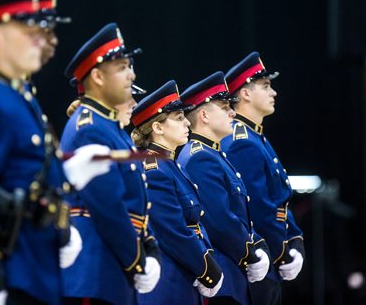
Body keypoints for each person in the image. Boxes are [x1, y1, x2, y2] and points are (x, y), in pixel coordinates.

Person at [0, 0, 111, 305]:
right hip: (1, 271)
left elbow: (24, 169)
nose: (41, 41)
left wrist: (67, 174)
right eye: (29, 33)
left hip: (29, 261)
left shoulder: (14, 93)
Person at [60, 23, 161, 304]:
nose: (132, 74)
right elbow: (108, 207)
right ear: (97, 76)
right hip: (96, 271)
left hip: (110, 267)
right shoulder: (90, 127)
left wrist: (148, 244)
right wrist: (136, 260)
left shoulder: (109, 127)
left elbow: (134, 200)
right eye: (122, 68)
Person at [177, 72, 271, 305]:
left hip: (234, 273)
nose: (232, 112)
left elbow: (238, 215)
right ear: (204, 115)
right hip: (225, 276)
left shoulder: (213, 153)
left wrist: (257, 242)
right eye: (224, 106)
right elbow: (220, 221)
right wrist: (248, 252)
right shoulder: (200, 157)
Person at [129, 80, 224, 304]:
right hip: (168, 283)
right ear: (158, 127)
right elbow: (172, 231)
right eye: (179, 119)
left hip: (183, 276)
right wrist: (205, 268)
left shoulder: (170, 164)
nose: (187, 124)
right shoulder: (155, 169)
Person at [221, 52, 305, 305]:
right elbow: (257, 207)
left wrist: (296, 239)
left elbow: (280, 200)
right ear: (245, 93)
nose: (274, 93)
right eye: (266, 86)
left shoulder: (256, 138)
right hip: (257, 261)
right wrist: (281, 252)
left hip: (269, 256)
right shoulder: (241, 142)